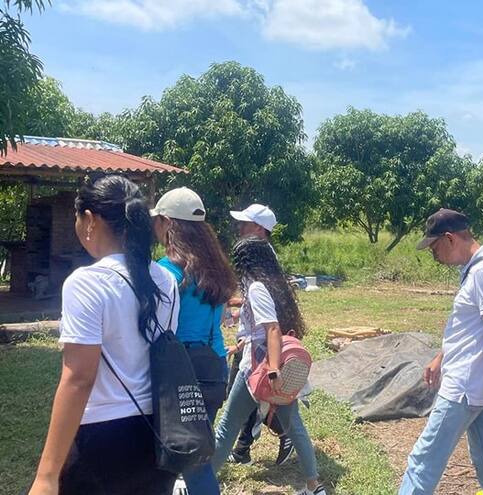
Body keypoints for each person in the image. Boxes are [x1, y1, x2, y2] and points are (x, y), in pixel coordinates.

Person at [29, 175, 180, 495]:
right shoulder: (165, 279)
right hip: (158, 434)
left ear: (89, 220)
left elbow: (79, 377)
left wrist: (46, 475)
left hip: (101, 441)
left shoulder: (85, 283)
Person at [399, 208, 483, 495]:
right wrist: (441, 356)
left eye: (434, 247)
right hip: (478, 386)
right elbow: (470, 329)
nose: (434, 256)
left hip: (464, 387)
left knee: (422, 463)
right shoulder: (477, 267)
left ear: (450, 239)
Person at [211, 237, 325, 495]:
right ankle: (314, 487)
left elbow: (272, 328)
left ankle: (201, 484)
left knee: (227, 427)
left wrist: (272, 369)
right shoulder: (274, 285)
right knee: (295, 427)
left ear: (244, 263)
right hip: (278, 366)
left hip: (259, 369)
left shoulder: (256, 288)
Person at [151, 187, 237, 495]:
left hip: (179, 377)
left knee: (166, 459)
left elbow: (156, 331)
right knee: (197, 458)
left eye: (157, 221)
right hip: (215, 370)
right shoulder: (215, 268)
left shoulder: (165, 271)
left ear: (167, 223)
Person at [225, 203, 293, 466]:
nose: (239, 227)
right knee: (244, 394)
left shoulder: (263, 257)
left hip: (258, 342)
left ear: (259, 229)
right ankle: (252, 445)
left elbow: (270, 310)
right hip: (251, 337)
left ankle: (244, 448)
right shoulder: (260, 256)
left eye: (245, 223)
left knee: (249, 395)